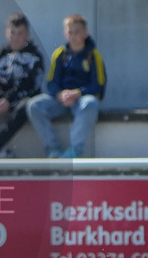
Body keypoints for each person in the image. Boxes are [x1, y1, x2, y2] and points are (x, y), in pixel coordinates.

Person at [26, 14, 107, 158]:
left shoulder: (93, 55)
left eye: (77, 32)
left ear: (85, 33)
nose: (74, 36)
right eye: (70, 32)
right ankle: (52, 149)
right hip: (61, 100)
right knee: (34, 105)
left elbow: (98, 85)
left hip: (81, 100)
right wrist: (60, 94)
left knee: (91, 103)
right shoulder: (60, 54)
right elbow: (51, 83)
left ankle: (74, 151)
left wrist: (77, 93)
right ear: (65, 33)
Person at [0, 12, 44, 158]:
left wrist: (9, 99)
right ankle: (2, 151)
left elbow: (32, 84)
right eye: (12, 33)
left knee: (26, 107)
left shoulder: (35, 56)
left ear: (27, 35)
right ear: (6, 33)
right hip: (0, 98)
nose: (15, 37)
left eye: (20, 33)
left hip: (21, 99)